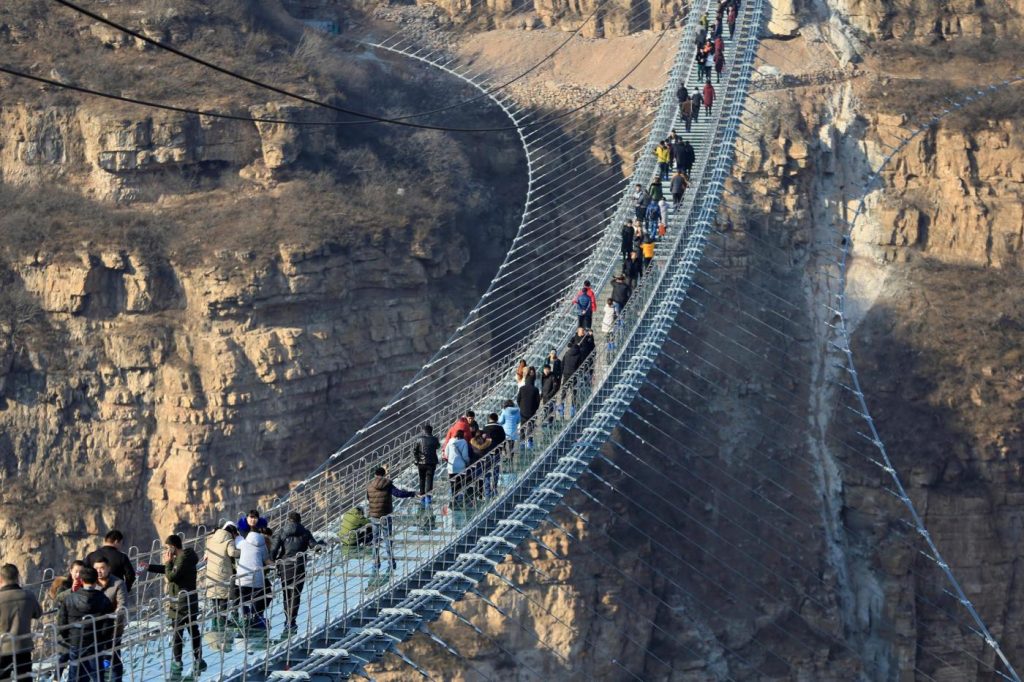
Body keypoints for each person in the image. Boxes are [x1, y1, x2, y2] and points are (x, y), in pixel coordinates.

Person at [147, 535, 205, 676]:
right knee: (193, 630)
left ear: (173, 547)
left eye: (167, 548)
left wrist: (167, 562)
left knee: (178, 633)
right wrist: (149, 567)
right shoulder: (185, 558)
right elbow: (172, 570)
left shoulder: (182, 559)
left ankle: (178, 662)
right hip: (188, 600)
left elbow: (172, 576)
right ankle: (198, 659)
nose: (166, 551)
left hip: (181, 603)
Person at [57, 566, 113, 682]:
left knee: (75, 675)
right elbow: (108, 625)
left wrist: (70, 639)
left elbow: (62, 623)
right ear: (96, 579)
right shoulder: (103, 599)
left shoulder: (70, 598)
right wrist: (102, 639)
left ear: (81, 580)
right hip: (96, 643)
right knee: (97, 676)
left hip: (76, 641)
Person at [271, 512, 323, 634]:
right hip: (299, 566)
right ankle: (292, 621)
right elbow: (313, 545)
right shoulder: (305, 532)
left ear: (288, 520)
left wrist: (272, 563)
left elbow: (274, 549)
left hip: (285, 567)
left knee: (286, 593)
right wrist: (319, 547)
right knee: (296, 594)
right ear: (299, 521)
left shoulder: (281, 532)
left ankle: (286, 619)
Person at [366, 467, 415, 572]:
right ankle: (391, 560)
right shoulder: (387, 484)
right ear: (384, 474)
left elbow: (368, 498)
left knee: (376, 539)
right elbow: (398, 494)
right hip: (385, 516)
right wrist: (412, 493)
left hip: (374, 516)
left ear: (375, 475)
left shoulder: (369, 485)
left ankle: (375, 561)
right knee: (388, 538)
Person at [0, 564, 42, 682]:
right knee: (25, 678)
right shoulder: (28, 595)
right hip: (24, 645)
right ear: (17, 577)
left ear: (0, 579)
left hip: (3, 648)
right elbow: (38, 613)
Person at [92, 558, 127, 682]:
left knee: (114, 657)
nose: (99, 571)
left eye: (102, 568)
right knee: (96, 659)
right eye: (96, 569)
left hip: (113, 627)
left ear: (108, 568)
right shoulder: (91, 583)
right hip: (95, 628)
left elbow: (122, 605)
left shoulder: (118, 583)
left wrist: (116, 624)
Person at [204, 523, 240, 630]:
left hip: (211, 572)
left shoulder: (210, 540)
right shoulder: (229, 541)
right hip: (223, 572)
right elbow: (232, 553)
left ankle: (216, 619)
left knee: (215, 596)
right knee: (224, 597)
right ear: (232, 533)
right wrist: (244, 552)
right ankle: (223, 620)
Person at [235, 527, 271, 630]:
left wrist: (237, 535)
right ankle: (256, 617)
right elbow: (266, 560)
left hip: (242, 578)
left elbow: (237, 540)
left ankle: (246, 620)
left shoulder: (243, 543)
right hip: (257, 578)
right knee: (261, 596)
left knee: (244, 599)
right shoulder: (263, 545)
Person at [412, 423, 440, 506]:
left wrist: (417, 459)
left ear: (424, 431)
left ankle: (422, 496)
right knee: (429, 479)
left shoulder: (419, 439)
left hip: (421, 463)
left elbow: (415, 451)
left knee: (421, 479)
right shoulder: (434, 439)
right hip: (431, 463)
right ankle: (428, 497)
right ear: (431, 431)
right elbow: (438, 446)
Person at [516, 367, 541, 446]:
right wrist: (534, 408)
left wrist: (521, 407)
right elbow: (538, 401)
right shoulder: (535, 389)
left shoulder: (522, 388)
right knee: (531, 426)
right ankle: (530, 442)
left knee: (522, 427)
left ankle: (522, 443)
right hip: (532, 411)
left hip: (523, 411)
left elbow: (518, 399)